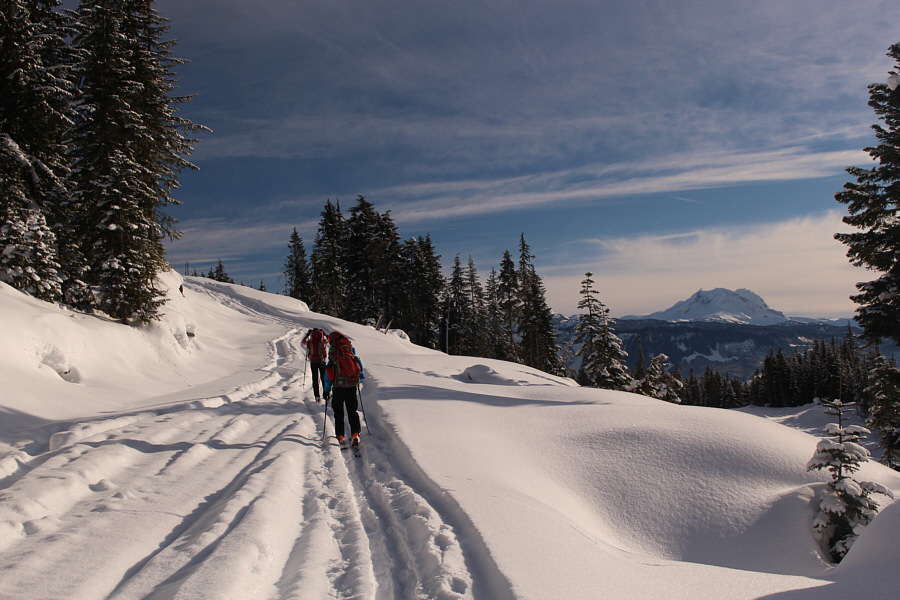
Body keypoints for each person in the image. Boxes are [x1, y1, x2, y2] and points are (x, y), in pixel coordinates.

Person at [323, 331, 364, 448]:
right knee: (352, 410)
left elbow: (329, 370)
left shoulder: (333, 350)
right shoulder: (348, 347)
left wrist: (326, 389)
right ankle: (356, 432)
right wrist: (360, 378)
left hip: (338, 386)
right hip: (351, 384)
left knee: (338, 411)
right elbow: (356, 362)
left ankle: (340, 435)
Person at [301, 328, 328, 402]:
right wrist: (325, 334)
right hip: (322, 361)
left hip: (313, 361)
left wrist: (307, 335)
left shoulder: (310, 342)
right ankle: (326, 394)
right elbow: (329, 340)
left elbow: (303, 342)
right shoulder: (322, 341)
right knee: (323, 378)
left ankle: (317, 396)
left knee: (315, 378)